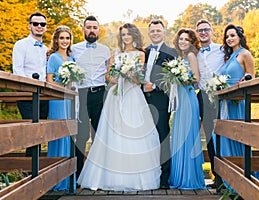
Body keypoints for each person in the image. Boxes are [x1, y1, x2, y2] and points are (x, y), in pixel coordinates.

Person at [77, 23, 161, 191]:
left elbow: (139, 79)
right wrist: (120, 76)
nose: (126, 37)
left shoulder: (140, 54)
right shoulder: (115, 53)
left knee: (134, 133)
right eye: (123, 34)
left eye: (129, 34)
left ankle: (135, 177)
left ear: (134, 36)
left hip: (133, 96)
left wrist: (129, 75)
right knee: (113, 134)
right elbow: (108, 76)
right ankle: (110, 177)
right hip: (116, 97)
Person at [70, 15, 111, 181]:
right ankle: (78, 175)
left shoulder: (106, 50)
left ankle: (98, 176)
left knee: (99, 135)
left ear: (99, 30)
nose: (92, 30)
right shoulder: (73, 49)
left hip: (100, 94)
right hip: (81, 94)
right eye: (89, 27)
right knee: (81, 135)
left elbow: (110, 74)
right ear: (83, 30)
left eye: (95, 27)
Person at [168, 28, 206, 190]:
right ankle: (179, 176)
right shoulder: (179, 57)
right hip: (180, 100)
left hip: (189, 98)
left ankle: (189, 178)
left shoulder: (191, 56)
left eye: (186, 40)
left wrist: (181, 78)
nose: (182, 41)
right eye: (181, 39)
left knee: (188, 136)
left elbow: (196, 78)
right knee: (179, 135)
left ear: (191, 43)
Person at [143, 19, 177, 189]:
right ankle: (148, 175)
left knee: (162, 136)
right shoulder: (144, 51)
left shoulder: (171, 52)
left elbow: (172, 78)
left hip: (160, 100)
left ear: (164, 32)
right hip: (141, 100)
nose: (155, 33)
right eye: (152, 31)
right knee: (145, 137)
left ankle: (164, 179)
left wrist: (154, 86)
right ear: (149, 33)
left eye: (158, 30)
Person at [212, 24, 255, 157]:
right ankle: (227, 174)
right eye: (227, 37)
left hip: (238, 101)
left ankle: (245, 171)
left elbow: (251, 76)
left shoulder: (245, 54)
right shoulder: (229, 56)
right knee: (222, 135)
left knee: (238, 135)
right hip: (225, 101)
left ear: (239, 37)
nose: (229, 39)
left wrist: (244, 81)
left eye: (232, 35)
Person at [12, 12, 49, 156]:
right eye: (36, 24)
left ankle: (35, 167)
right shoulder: (21, 45)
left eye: (42, 24)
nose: (39, 26)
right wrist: (29, 87)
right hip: (26, 94)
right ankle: (28, 169)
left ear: (45, 28)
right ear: (29, 26)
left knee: (40, 133)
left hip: (44, 96)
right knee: (31, 133)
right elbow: (17, 69)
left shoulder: (46, 50)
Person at [46, 25, 76, 191]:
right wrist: (63, 87)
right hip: (57, 99)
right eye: (62, 38)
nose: (65, 41)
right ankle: (54, 180)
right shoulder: (53, 58)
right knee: (58, 134)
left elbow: (73, 81)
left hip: (69, 100)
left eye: (67, 38)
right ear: (56, 40)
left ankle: (66, 179)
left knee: (68, 135)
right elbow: (49, 80)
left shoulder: (72, 60)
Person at [195, 19, 225, 188]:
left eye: (206, 29)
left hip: (220, 96)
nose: (203, 32)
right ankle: (216, 177)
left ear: (212, 31)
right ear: (197, 33)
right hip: (203, 97)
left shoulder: (221, 49)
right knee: (209, 137)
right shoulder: (195, 52)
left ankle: (227, 175)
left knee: (222, 135)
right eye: (200, 30)